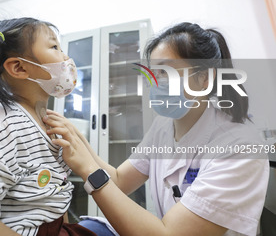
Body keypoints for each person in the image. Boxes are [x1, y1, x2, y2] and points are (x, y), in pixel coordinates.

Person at [43, 22, 270, 236]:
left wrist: (88, 168)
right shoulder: (164, 126)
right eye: (154, 73)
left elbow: (170, 233)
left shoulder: (239, 147)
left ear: (205, 79)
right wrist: (76, 138)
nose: (156, 81)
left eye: (166, 72)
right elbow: (120, 180)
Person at [0, 17, 96, 236]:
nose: (66, 57)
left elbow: (55, 197)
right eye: (54, 47)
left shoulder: (50, 121)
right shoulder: (0, 127)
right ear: (19, 68)